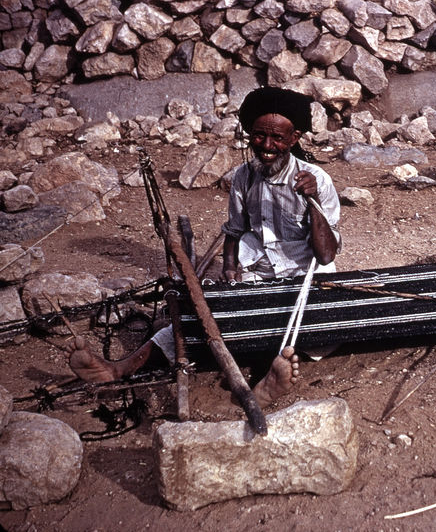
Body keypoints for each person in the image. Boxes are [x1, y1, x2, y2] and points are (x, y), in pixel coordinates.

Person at [66, 87, 341, 407]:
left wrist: (312, 201)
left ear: (294, 138)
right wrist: (228, 269)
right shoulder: (244, 177)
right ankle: (117, 368)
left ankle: (264, 382)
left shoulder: (317, 180)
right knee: (200, 314)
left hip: (302, 274)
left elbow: (325, 254)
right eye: (259, 136)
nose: (267, 146)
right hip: (259, 269)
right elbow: (234, 232)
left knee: (283, 320)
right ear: (249, 134)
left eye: (277, 138)